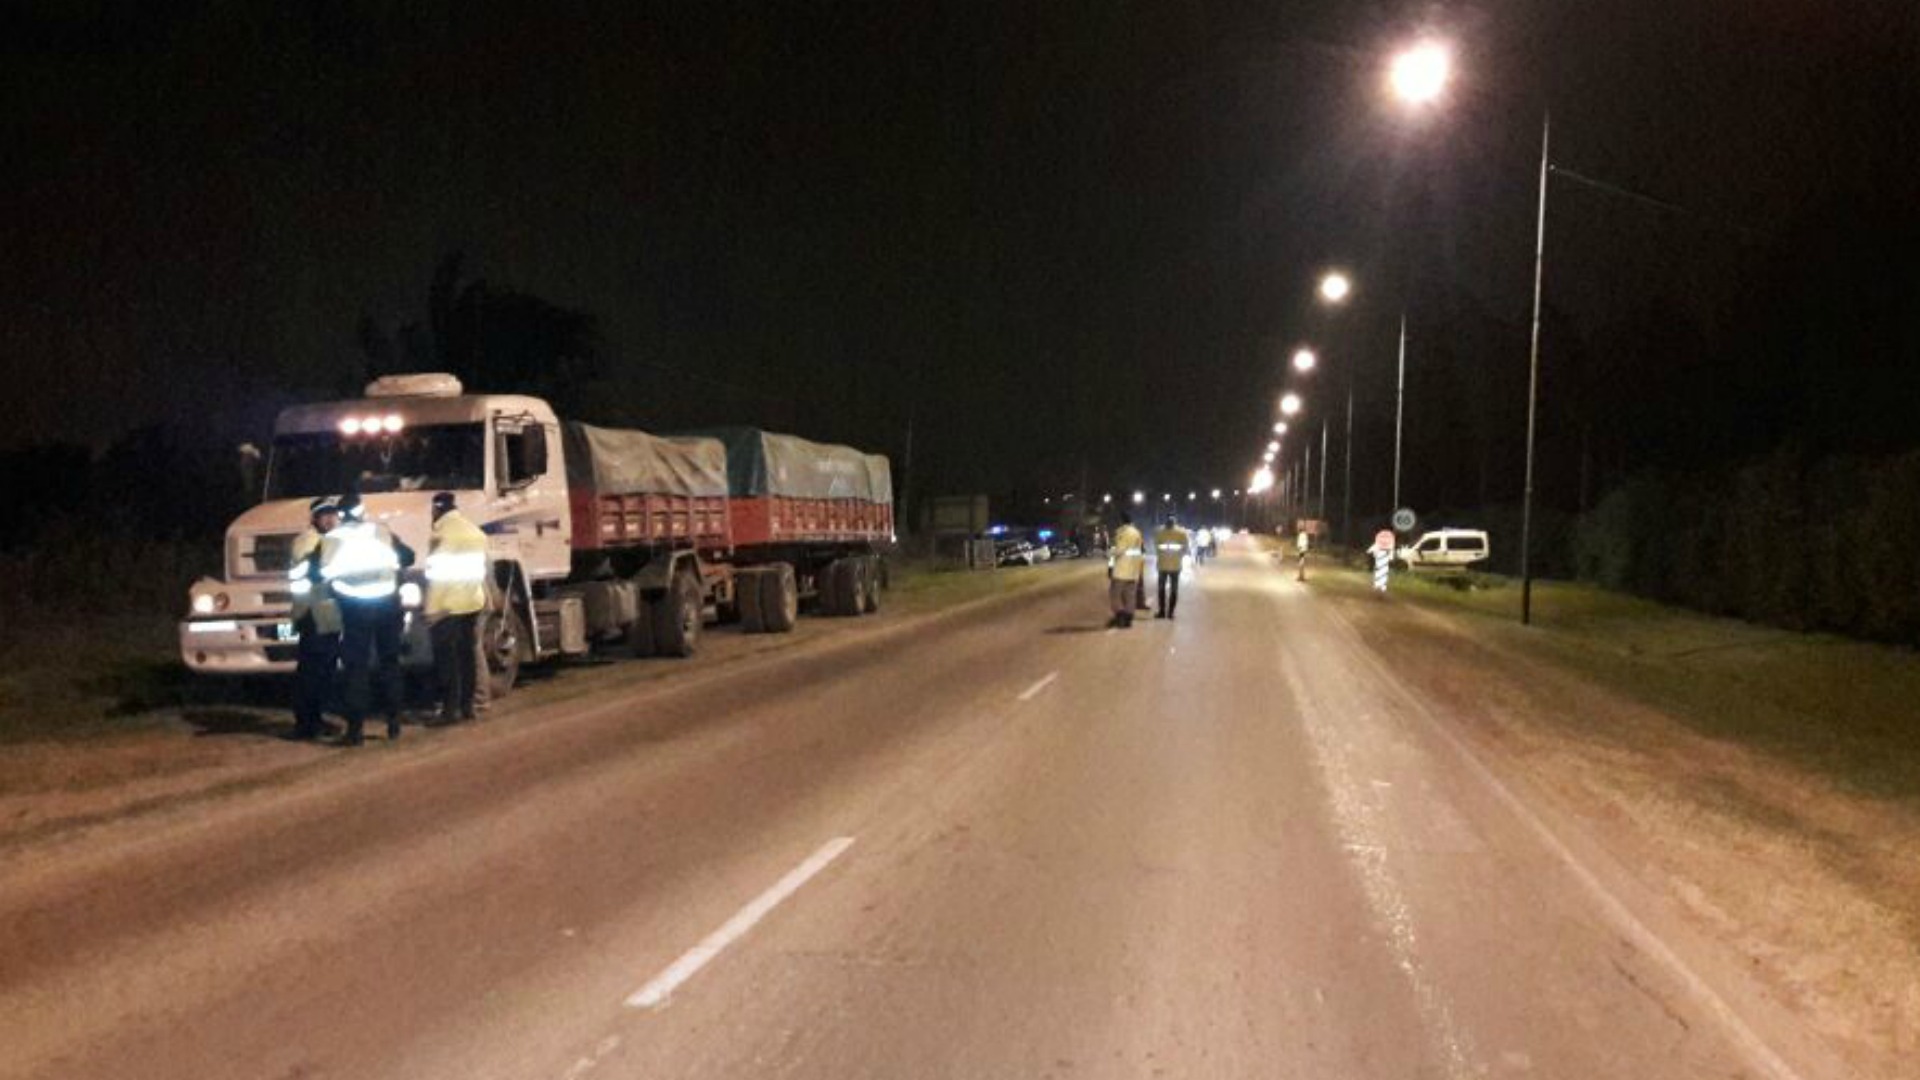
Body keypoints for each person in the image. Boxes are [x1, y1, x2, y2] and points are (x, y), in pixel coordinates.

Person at [323, 494, 415, 746]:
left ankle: (355, 731)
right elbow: (408, 556)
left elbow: (323, 572)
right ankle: (394, 723)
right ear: (362, 511)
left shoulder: (333, 538)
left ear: (340, 515)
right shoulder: (381, 531)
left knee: (356, 667)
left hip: (354, 607)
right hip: (386, 604)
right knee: (390, 662)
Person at [425, 491, 488, 724]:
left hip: (447, 607)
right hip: (472, 602)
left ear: (436, 509)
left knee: (447, 662)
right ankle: (467, 707)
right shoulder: (475, 532)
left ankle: (449, 710)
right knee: (467, 657)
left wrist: (432, 609)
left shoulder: (441, 535)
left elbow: (437, 576)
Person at [286, 496, 344, 741]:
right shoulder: (307, 541)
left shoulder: (329, 540)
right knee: (311, 672)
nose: (330, 519)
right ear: (314, 519)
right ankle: (305, 723)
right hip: (312, 614)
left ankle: (315, 719)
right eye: (324, 515)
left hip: (327, 616)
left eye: (333, 514)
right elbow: (310, 567)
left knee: (323, 672)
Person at [1107, 513, 1146, 628]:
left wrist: (1108, 554)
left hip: (1121, 569)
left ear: (1121, 521)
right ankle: (1129, 618)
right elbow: (1140, 551)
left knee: (1114, 594)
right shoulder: (1137, 532)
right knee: (1130, 595)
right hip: (1133, 570)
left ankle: (1120, 616)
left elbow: (1119, 550)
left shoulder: (1122, 533)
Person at [1154, 515, 1191, 619]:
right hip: (1175, 566)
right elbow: (1185, 548)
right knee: (1174, 589)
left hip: (1162, 565)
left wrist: (1161, 556)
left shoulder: (1159, 532)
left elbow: (1156, 547)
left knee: (1161, 589)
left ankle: (1162, 612)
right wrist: (1179, 556)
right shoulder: (1181, 533)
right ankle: (1170, 613)